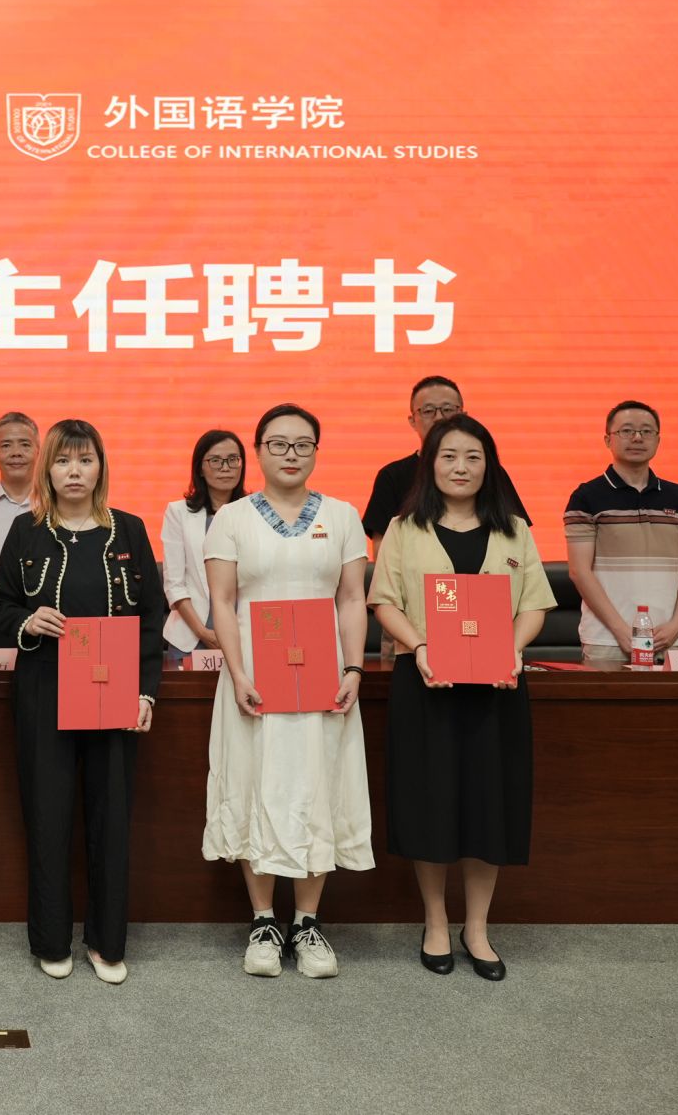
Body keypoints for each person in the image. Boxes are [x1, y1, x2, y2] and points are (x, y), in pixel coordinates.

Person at [0, 419, 166, 984]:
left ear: (100, 467)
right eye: (63, 461)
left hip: (114, 689)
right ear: (48, 469)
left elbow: (151, 619)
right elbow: (2, 604)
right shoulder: (26, 531)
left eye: (85, 460)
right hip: (44, 687)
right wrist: (27, 620)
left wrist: (145, 691)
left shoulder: (129, 530)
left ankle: (107, 943)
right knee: (48, 814)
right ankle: (52, 938)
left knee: (111, 817)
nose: (74, 472)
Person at [369, 414, 554, 982]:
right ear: (430, 464)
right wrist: (420, 645)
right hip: (426, 684)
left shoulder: (513, 529)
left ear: (488, 465)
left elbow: (534, 605)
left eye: (473, 457)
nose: (460, 467)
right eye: (448, 456)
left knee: (487, 808)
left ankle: (477, 928)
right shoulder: (404, 528)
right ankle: (434, 921)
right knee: (431, 805)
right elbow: (384, 601)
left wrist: (511, 651)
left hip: (497, 691)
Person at [202, 405, 372, 980]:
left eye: (303, 444)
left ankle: (307, 923)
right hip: (254, 678)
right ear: (258, 452)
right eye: (278, 444)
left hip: (324, 679)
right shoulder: (231, 518)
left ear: (317, 451)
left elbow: (351, 598)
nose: (291, 454)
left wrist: (354, 668)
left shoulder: (343, 515)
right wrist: (238, 672)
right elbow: (223, 601)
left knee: (318, 787)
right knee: (255, 785)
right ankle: (263, 922)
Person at [563, 401, 678, 669]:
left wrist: (677, 624)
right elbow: (579, 571)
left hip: (669, 639)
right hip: (607, 640)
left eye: (647, 431)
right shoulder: (586, 497)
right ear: (608, 439)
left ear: (658, 440)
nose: (637, 438)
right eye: (626, 431)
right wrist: (620, 630)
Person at [362, 376, 531, 543]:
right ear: (412, 421)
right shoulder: (392, 476)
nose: (439, 418)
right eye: (428, 411)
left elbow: (516, 535)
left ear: (463, 415)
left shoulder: (488, 471)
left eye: (448, 409)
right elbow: (383, 550)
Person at [162, 429, 248, 667]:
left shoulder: (254, 512)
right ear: (200, 467)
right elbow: (174, 585)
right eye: (215, 460)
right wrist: (203, 632)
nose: (225, 467)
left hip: (244, 635)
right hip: (191, 636)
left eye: (233, 459)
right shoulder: (178, 513)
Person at [0, 412, 38, 631]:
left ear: (38, 451)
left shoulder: (57, 509)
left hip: (43, 623)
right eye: (6, 445)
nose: (16, 453)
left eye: (25, 445)